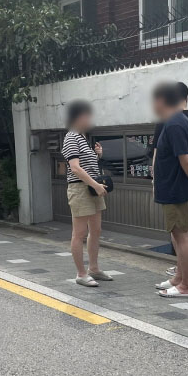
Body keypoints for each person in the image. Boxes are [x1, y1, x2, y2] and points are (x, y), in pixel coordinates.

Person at [151, 82, 188, 298]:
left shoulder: (175, 123)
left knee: (181, 236)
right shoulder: (181, 121)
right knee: (179, 234)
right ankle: (179, 278)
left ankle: (187, 286)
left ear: (162, 100)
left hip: (176, 190)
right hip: (177, 189)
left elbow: (187, 158)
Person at [62, 100, 113, 287]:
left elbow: (87, 165)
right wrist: (96, 185)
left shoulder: (82, 137)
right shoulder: (71, 137)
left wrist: (97, 155)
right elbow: (75, 168)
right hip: (80, 188)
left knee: (96, 230)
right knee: (79, 233)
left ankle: (94, 269)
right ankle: (81, 273)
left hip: (92, 188)